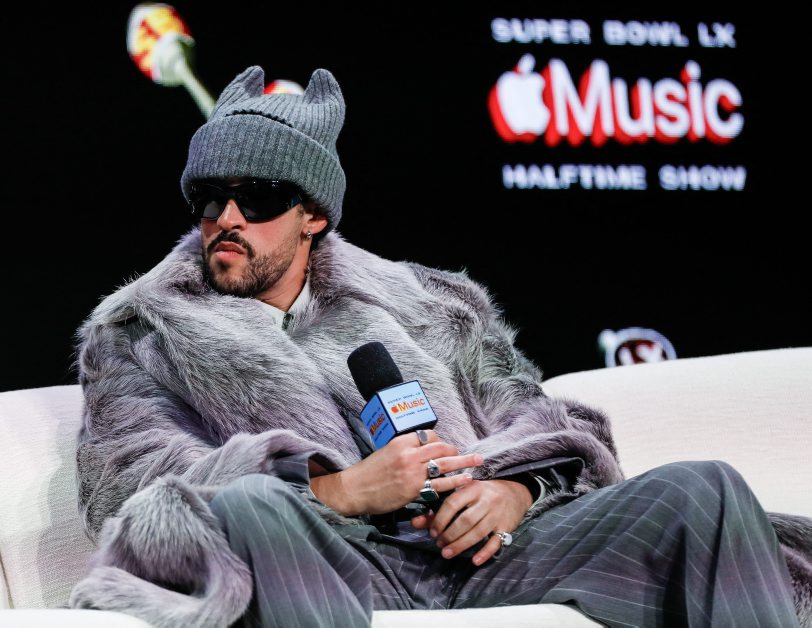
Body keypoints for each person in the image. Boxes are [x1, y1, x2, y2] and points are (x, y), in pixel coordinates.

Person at [68, 66, 810, 627]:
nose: (227, 218)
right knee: (254, 503)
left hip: (482, 555)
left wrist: (513, 493)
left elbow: (548, 422)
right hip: (334, 559)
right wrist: (340, 490)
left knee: (702, 489)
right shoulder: (139, 332)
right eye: (209, 199)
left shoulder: (430, 304)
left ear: (313, 216)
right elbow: (128, 492)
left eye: (256, 197)